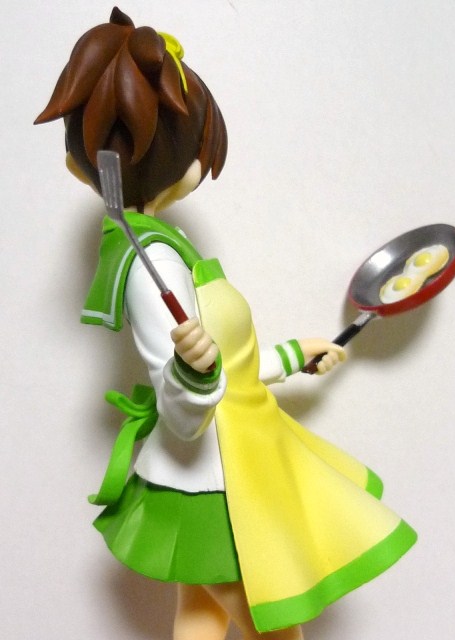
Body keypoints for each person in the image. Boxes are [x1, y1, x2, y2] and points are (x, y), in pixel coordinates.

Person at [35, 8, 417, 640]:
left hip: (225, 460)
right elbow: (184, 404)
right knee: (270, 616)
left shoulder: (165, 247)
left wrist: (294, 354)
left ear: (83, 168)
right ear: (187, 163)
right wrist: (191, 371)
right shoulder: (153, 261)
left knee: (203, 612)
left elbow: (226, 363)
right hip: (216, 478)